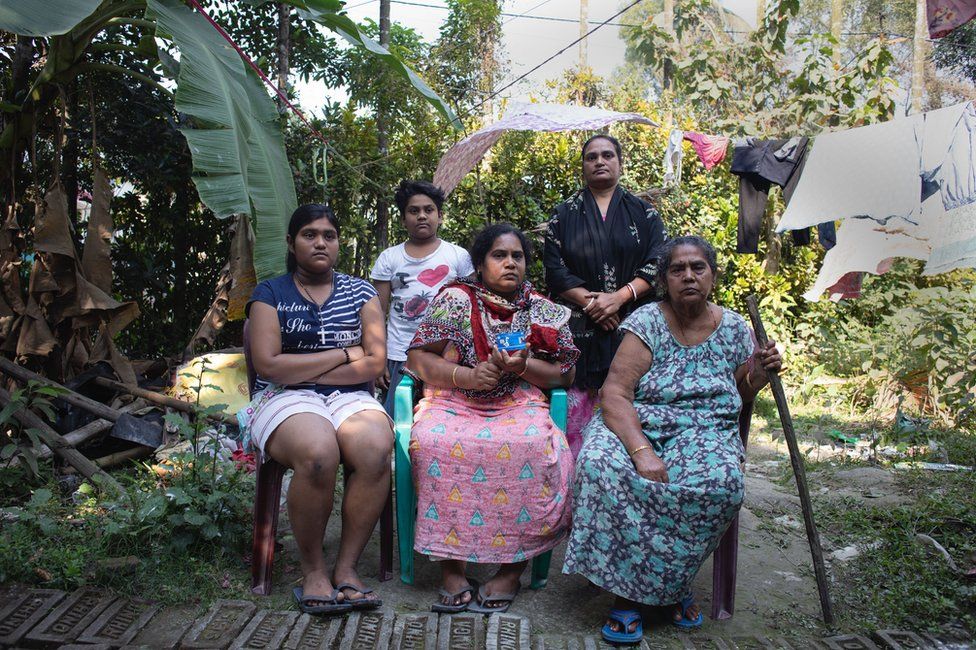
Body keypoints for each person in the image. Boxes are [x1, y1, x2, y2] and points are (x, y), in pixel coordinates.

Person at [562, 236, 782, 642]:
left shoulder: (734, 327)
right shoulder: (647, 321)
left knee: (721, 485)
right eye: (677, 269)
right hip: (636, 422)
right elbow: (615, 394)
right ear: (664, 279)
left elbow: (741, 390)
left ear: (712, 275)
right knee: (599, 466)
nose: (688, 276)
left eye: (698, 267)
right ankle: (630, 596)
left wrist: (761, 374)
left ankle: (668, 584)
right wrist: (641, 451)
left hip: (705, 429)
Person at [405, 223, 580, 614]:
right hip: (455, 400)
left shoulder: (541, 309)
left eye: (517, 256)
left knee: (537, 447)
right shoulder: (455, 298)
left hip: (518, 402)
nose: (510, 263)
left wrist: (524, 368)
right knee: (435, 441)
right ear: (481, 265)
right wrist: (467, 375)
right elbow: (417, 358)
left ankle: (511, 569)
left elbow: (566, 374)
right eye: (499, 256)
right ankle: (451, 568)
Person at [241, 204, 393, 615]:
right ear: (291, 243)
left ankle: (346, 569)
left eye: (329, 234)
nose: (321, 241)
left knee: (377, 447)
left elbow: (375, 363)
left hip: (349, 398)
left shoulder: (361, 292)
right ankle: (314, 571)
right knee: (318, 453)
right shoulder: (269, 293)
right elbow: (269, 365)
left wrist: (304, 369)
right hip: (281, 398)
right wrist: (345, 353)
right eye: (309, 234)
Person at [543, 134, 668, 457]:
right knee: (575, 418)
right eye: (591, 157)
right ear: (583, 166)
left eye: (607, 155)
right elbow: (554, 271)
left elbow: (659, 263)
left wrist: (621, 297)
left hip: (632, 325)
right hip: (579, 329)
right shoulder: (563, 215)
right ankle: (574, 486)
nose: (600, 161)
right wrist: (595, 302)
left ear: (620, 163)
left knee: (630, 404)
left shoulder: (645, 214)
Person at [370, 180, 474, 415]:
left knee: (441, 417)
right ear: (403, 218)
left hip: (446, 357)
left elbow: (473, 307)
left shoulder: (458, 256)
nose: (422, 216)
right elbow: (376, 313)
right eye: (413, 211)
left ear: (440, 215)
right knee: (397, 420)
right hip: (399, 354)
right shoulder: (389, 258)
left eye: (429, 210)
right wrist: (378, 360)